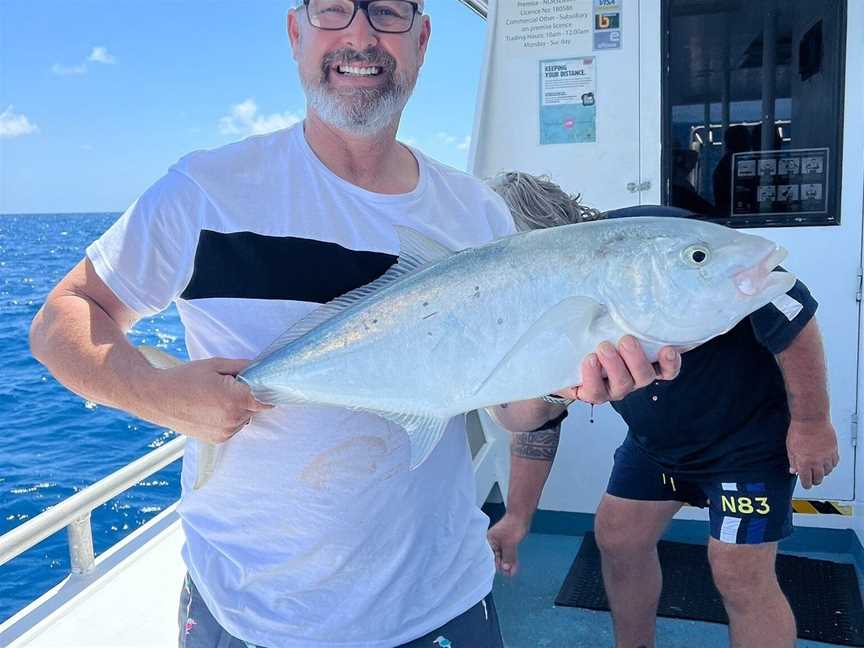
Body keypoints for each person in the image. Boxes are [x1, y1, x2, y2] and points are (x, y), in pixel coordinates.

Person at [28, 4, 680, 647]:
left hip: (442, 605)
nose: (361, 36)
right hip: (250, 615)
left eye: (389, 12)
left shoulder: (475, 213)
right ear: (296, 32)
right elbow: (67, 315)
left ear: (422, 40)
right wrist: (160, 394)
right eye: (334, 10)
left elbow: (512, 410)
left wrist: (566, 382)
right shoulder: (206, 190)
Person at [485, 171, 839, 648]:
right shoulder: (529, 306)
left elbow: (791, 307)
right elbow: (541, 421)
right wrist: (517, 517)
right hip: (656, 445)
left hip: (747, 441)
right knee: (617, 538)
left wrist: (812, 424)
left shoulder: (659, 239)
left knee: (738, 572)